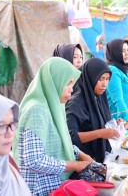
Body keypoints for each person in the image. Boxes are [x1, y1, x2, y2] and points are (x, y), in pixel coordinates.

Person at [12, 57, 94, 196]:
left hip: (53, 186)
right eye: (68, 83)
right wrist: (74, 165)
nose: (71, 89)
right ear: (55, 81)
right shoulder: (37, 110)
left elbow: (61, 141)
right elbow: (35, 160)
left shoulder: (54, 105)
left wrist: (82, 155)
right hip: (38, 189)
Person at [66, 58, 119, 163]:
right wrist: (100, 133)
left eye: (107, 79)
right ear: (91, 78)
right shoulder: (75, 104)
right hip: (85, 163)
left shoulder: (98, 97)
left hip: (103, 158)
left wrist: (115, 125)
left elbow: (99, 123)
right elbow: (70, 137)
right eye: (101, 79)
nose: (105, 84)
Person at [105, 39, 128, 129]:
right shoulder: (113, 71)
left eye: (127, 50)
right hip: (119, 123)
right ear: (115, 53)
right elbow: (118, 99)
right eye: (123, 51)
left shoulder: (124, 72)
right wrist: (127, 120)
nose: (127, 53)